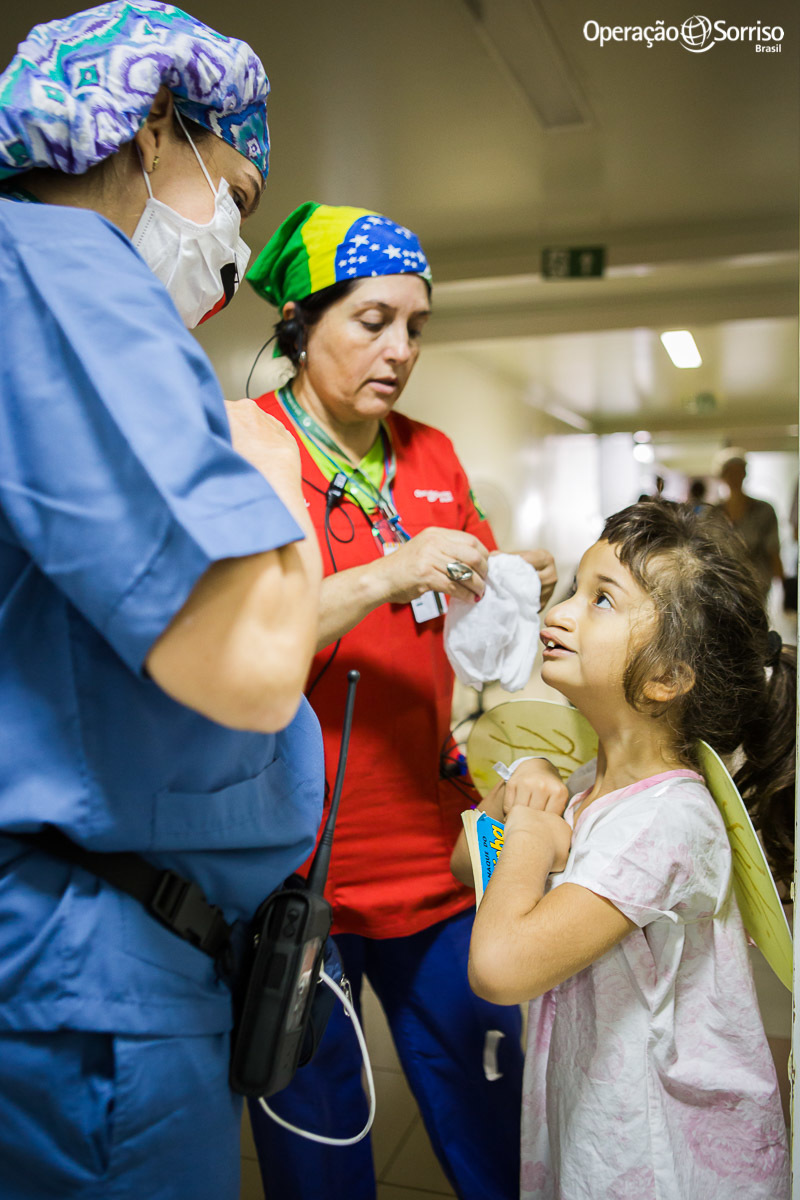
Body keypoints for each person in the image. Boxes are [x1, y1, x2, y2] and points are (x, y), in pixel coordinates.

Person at [0, 6, 325, 1199]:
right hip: (83, 977)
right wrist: (274, 467)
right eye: (235, 194)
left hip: (105, 950)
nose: (236, 254)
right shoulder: (57, 270)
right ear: (151, 129)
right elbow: (245, 654)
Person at [243, 201, 558, 1200]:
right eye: (371, 321)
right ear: (299, 324)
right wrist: (393, 568)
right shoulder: (248, 445)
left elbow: (466, 617)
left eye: (415, 326)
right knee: (319, 1157)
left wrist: (509, 581)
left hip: (433, 864)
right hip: (292, 876)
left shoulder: (429, 457)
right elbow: (246, 636)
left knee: (497, 1134)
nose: (399, 349)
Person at [453, 500, 794, 1200]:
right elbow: (468, 867)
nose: (561, 611)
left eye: (601, 599)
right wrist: (520, 792)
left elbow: (499, 966)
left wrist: (528, 837)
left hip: (659, 1153)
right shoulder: (591, 781)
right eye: (577, 587)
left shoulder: (668, 822)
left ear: (668, 677)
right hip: (602, 1112)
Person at [713, 447, 784, 601]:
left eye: (738, 472)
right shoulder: (712, 513)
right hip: (722, 587)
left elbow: (773, 549)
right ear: (723, 476)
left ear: (745, 474)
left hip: (757, 586)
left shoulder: (764, 510)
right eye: (729, 473)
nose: (734, 477)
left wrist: (784, 585)